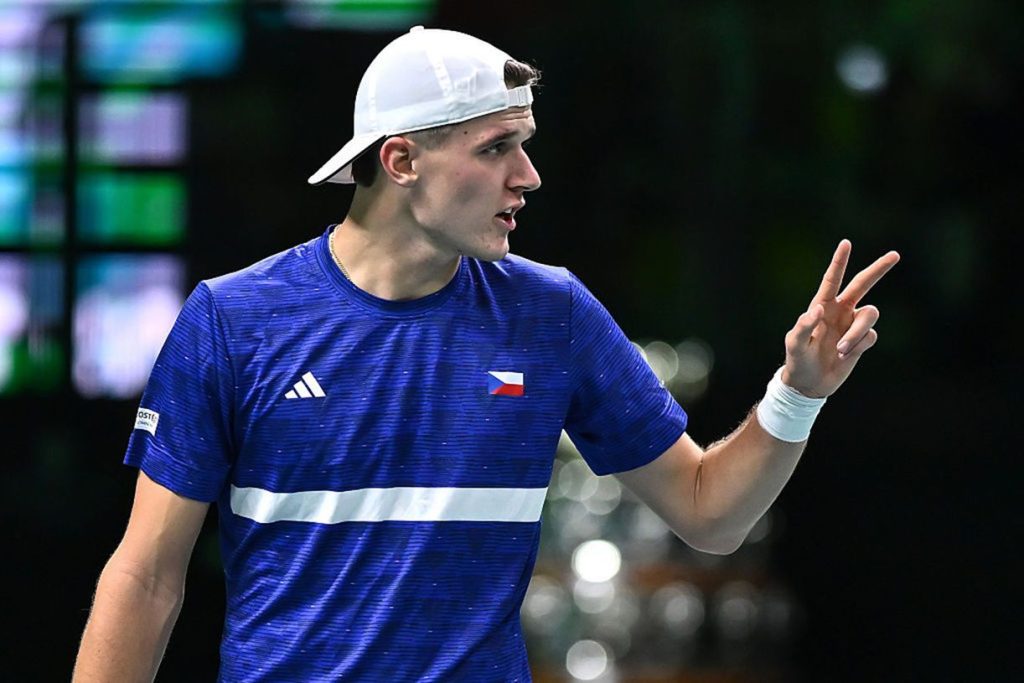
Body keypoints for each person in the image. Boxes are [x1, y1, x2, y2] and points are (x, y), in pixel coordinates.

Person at [73, 26, 899, 682]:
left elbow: (710, 512)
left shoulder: (553, 313)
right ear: (401, 160)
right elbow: (146, 577)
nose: (528, 175)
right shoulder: (232, 319)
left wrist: (798, 392)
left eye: (524, 144)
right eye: (496, 147)